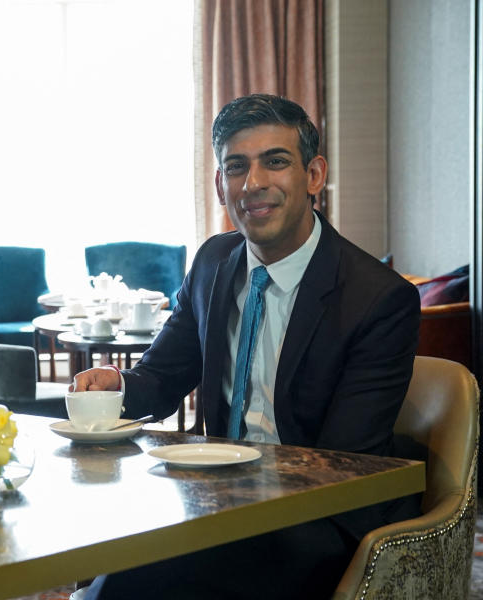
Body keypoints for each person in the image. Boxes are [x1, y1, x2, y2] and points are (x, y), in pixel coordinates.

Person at [76, 94, 421, 599]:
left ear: (314, 175)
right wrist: (117, 386)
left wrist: (222, 497)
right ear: (221, 185)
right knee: (119, 566)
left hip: (319, 515)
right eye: (236, 167)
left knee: (138, 579)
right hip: (217, 500)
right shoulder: (214, 263)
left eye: (275, 162)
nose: (254, 183)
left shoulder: (378, 299)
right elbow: (163, 377)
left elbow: (345, 463)